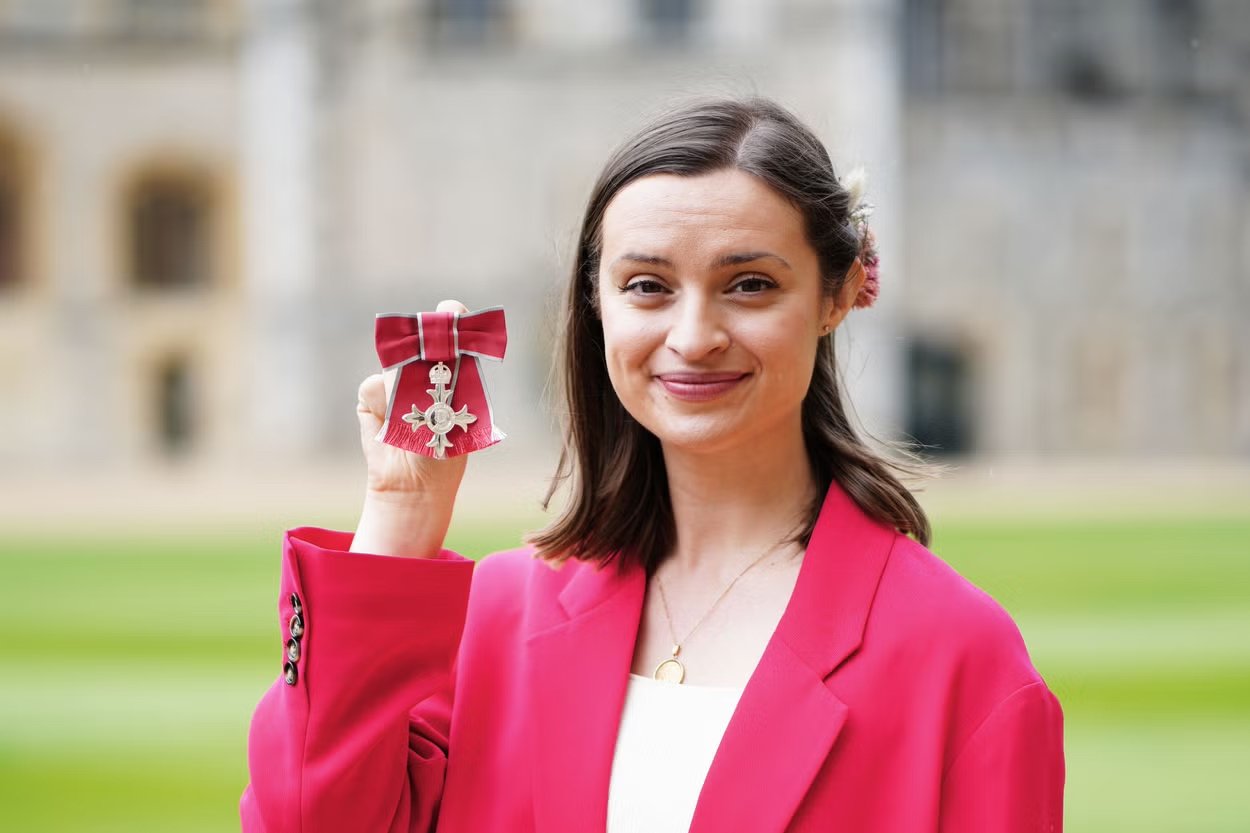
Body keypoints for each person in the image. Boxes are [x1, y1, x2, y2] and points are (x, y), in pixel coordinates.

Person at [241, 96, 1064, 833]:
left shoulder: (959, 655)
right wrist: (399, 517)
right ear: (595, 303)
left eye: (748, 284)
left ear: (837, 296)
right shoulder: (499, 614)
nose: (694, 334)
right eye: (647, 286)